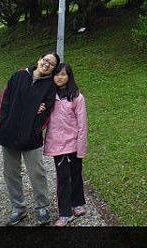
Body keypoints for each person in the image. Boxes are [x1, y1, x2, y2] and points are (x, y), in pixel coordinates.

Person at [0, 52, 60, 225]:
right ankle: (18, 208)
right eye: (45, 60)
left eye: (51, 64)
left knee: (37, 173)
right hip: (9, 134)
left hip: (32, 138)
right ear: (39, 59)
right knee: (11, 173)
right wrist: (2, 125)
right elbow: (5, 100)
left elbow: (47, 112)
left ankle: (42, 206)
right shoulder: (19, 75)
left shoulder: (49, 86)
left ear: (53, 69)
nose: (47, 64)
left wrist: (34, 130)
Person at [43, 63, 88, 227]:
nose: (59, 77)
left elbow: (82, 124)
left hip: (74, 143)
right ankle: (65, 213)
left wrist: (81, 147)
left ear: (69, 76)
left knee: (76, 174)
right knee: (63, 179)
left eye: (63, 74)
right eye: (56, 74)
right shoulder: (49, 96)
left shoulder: (76, 97)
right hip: (57, 144)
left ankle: (77, 203)